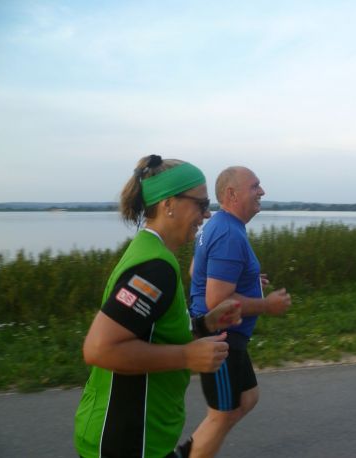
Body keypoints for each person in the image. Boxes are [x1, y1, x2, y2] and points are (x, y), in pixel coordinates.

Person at [74, 155, 242, 458]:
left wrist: (205, 324)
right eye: (201, 204)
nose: (207, 214)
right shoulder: (154, 268)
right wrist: (187, 356)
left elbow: (148, 331)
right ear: (169, 204)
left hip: (140, 434)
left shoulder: (150, 251)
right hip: (128, 439)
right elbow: (99, 349)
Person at [183, 166, 292, 458]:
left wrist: (247, 279)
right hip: (220, 338)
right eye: (255, 186)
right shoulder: (229, 233)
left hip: (231, 338)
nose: (262, 191)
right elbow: (217, 300)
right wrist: (267, 305)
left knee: (247, 398)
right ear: (232, 194)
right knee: (222, 414)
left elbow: (196, 270)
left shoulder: (218, 225)